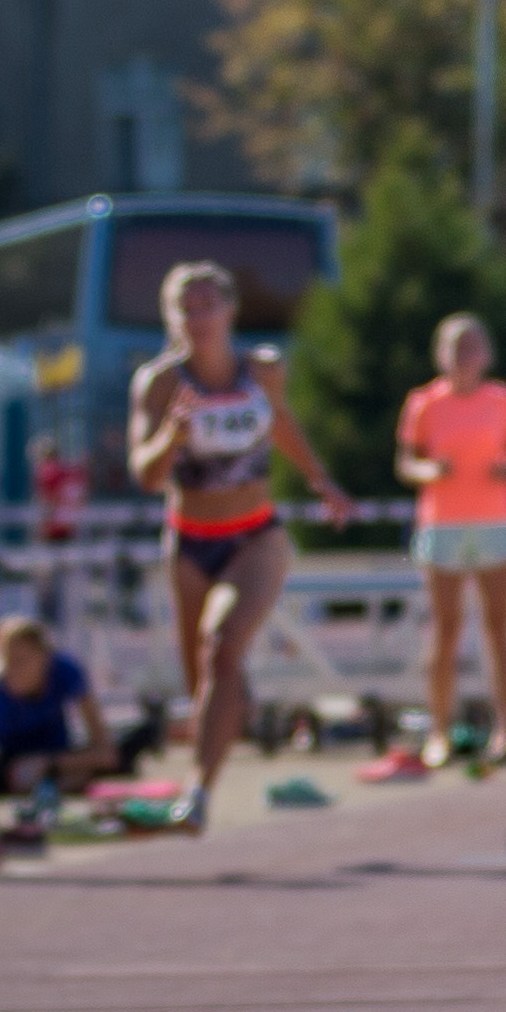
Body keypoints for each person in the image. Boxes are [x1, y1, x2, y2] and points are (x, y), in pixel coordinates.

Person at [125, 258, 352, 826]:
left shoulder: (263, 370)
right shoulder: (159, 384)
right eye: (186, 307)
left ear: (230, 311)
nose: (198, 317)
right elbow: (146, 476)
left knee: (220, 648)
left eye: (208, 304)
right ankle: (231, 715)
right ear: (170, 317)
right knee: (205, 674)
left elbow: (280, 422)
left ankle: (198, 793)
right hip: (189, 540)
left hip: (254, 535)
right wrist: (170, 438)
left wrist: (322, 480)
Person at [398, 313, 506, 766]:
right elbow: (407, 462)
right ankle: (439, 730)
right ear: (441, 354)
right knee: (446, 627)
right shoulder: (424, 402)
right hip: (442, 523)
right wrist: (430, 470)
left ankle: (505, 727)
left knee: (499, 628)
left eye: (472, 346)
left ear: (486, 353)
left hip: (493, 520)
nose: (465, 356)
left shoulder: (503, 399)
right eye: (456, 347)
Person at [0, 615, 117, 797]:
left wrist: (48, 763)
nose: (12, 669)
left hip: (55, 756)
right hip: (5, 764)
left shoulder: (64, 672)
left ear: (44, 656)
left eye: (20, 660)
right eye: (6, 661)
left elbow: (106, 753)